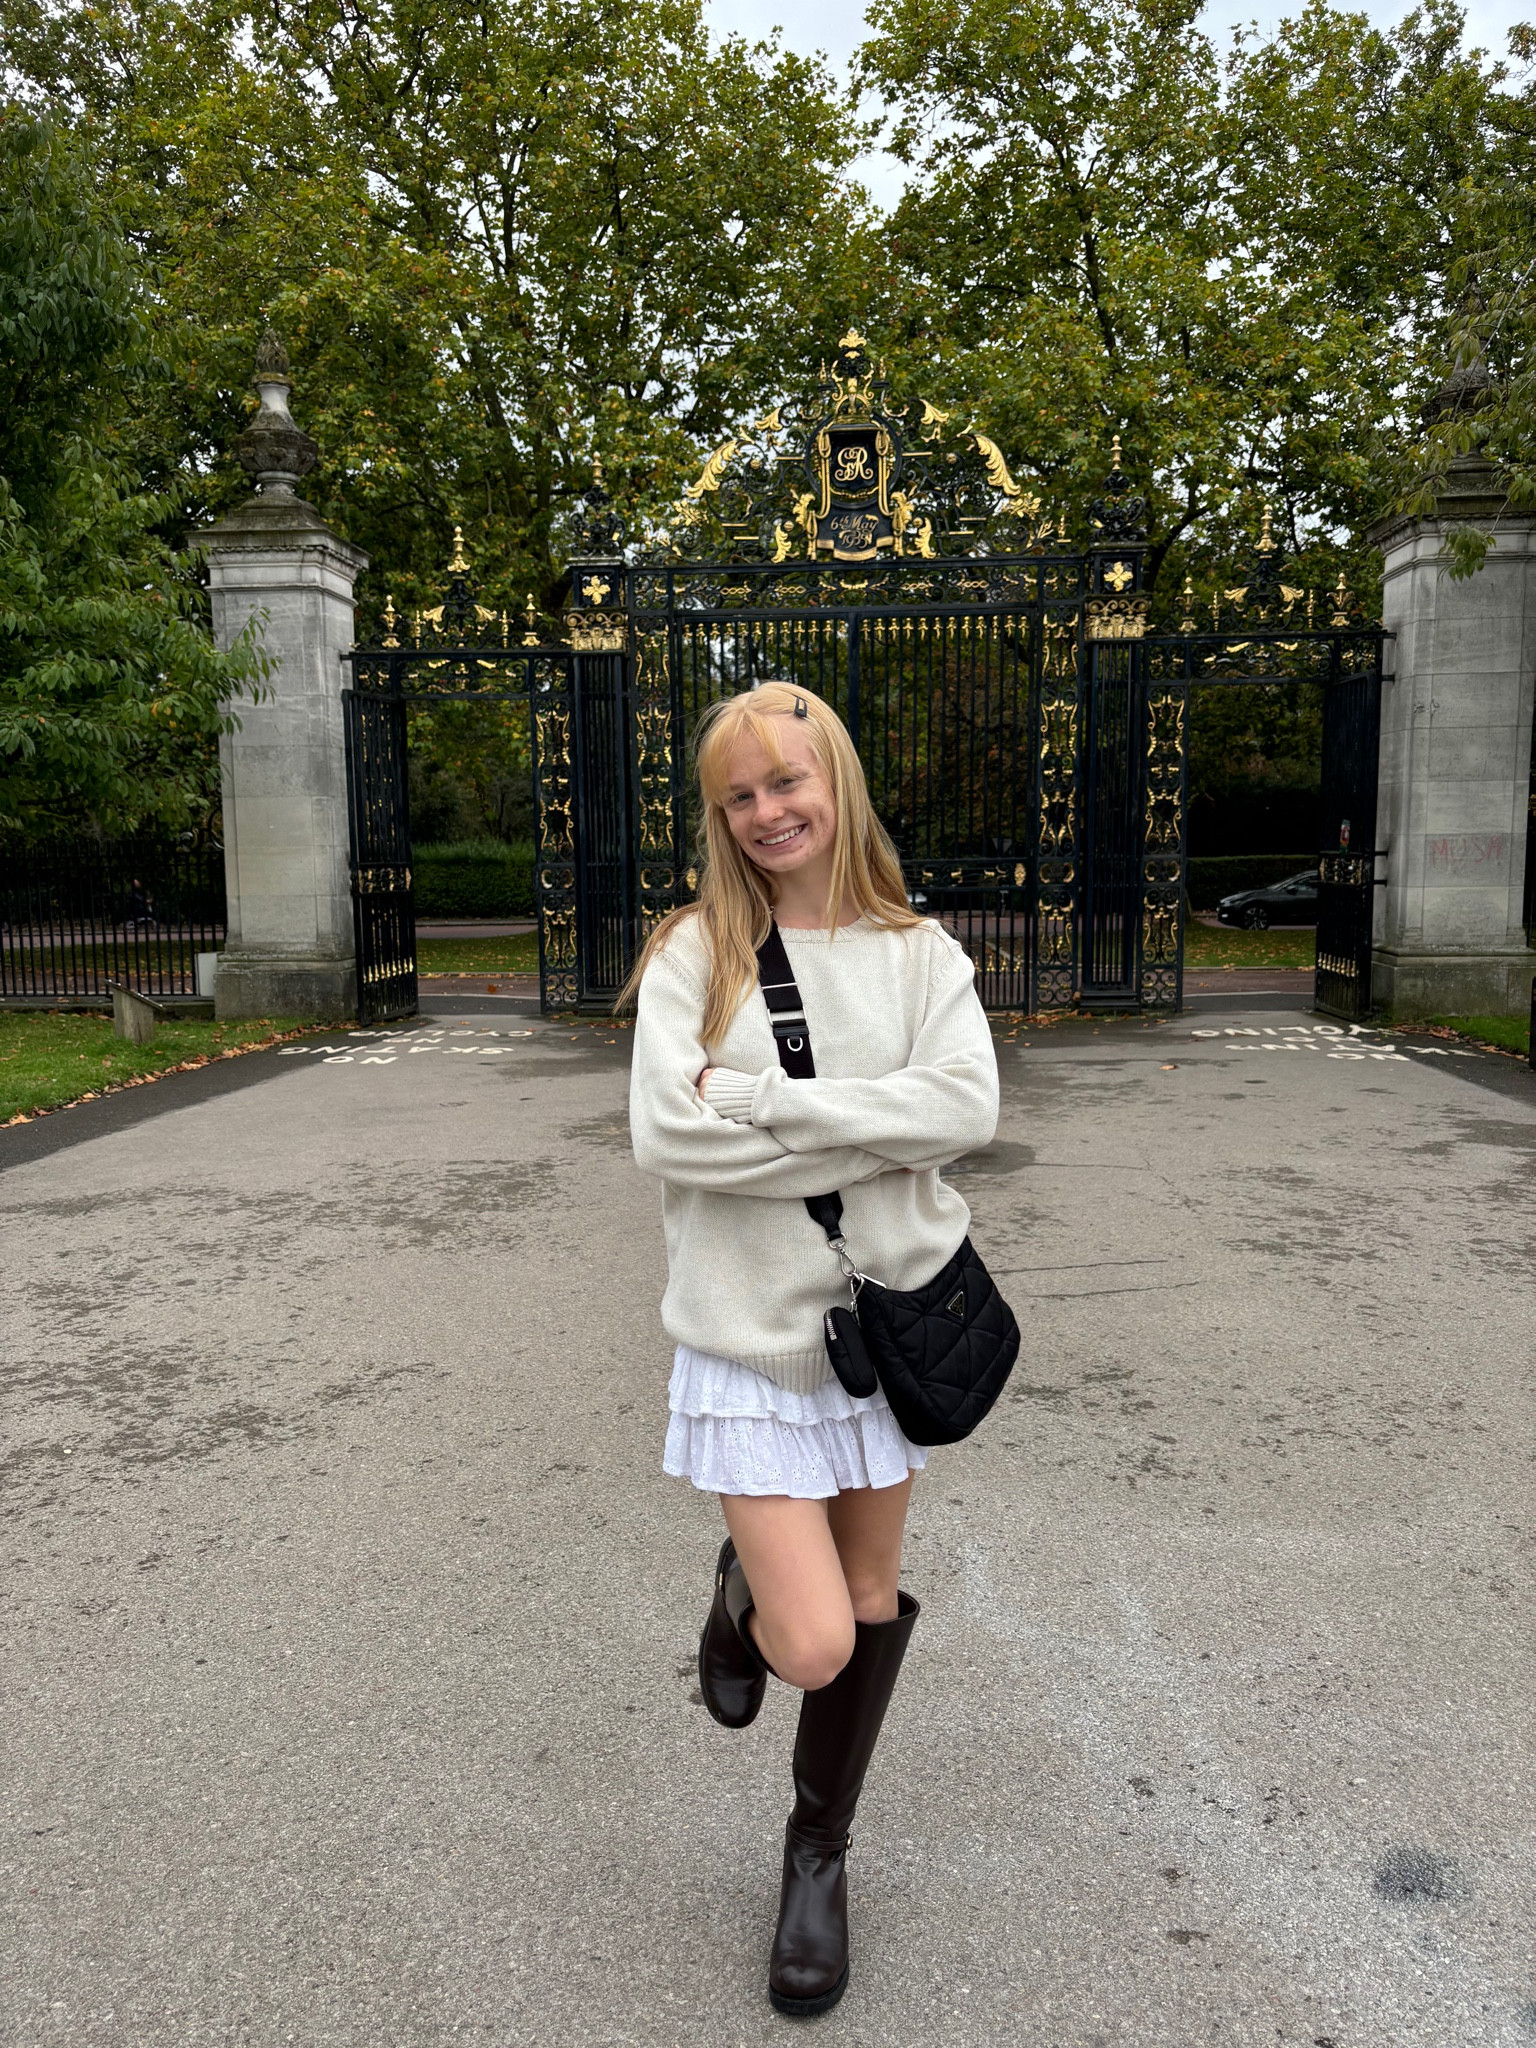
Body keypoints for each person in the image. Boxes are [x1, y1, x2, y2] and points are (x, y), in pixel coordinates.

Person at [625, 680, 999, 2017]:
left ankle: (817, 1852)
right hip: (745, 1340)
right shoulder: (694, 957)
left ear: (834, 780)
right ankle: (745, 1595)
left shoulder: (919, 955)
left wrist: (767, 1106)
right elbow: (667, 1138)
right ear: (720, 816)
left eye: (789, 781)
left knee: (872, 1601)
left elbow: (967, 1106)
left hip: (883, 1331)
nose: (769, 810)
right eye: (740, 794)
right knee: (816, 1641)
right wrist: (874, 1123)